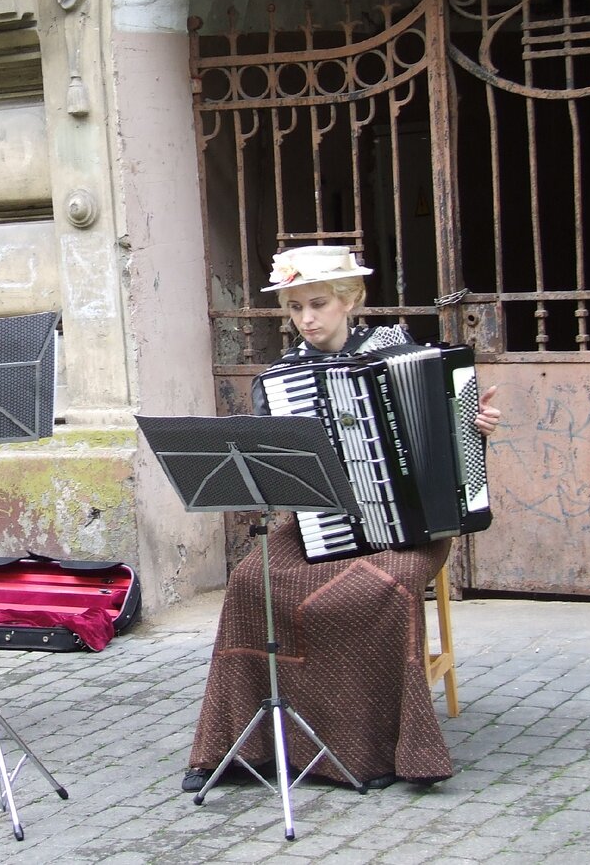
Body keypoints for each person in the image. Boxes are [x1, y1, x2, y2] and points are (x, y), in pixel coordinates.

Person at [181, 246, 502, 793]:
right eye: (296, 307)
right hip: (324, 522)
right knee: (248, 580)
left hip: (412, 525)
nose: (307, 318)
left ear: (350, 301)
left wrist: (476, 426)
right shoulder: (284, 379)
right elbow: (277, 475)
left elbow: (451, 444)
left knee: (387, 585)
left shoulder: (400, 352)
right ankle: (242, 744)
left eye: (319, 303)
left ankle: (372, 746)